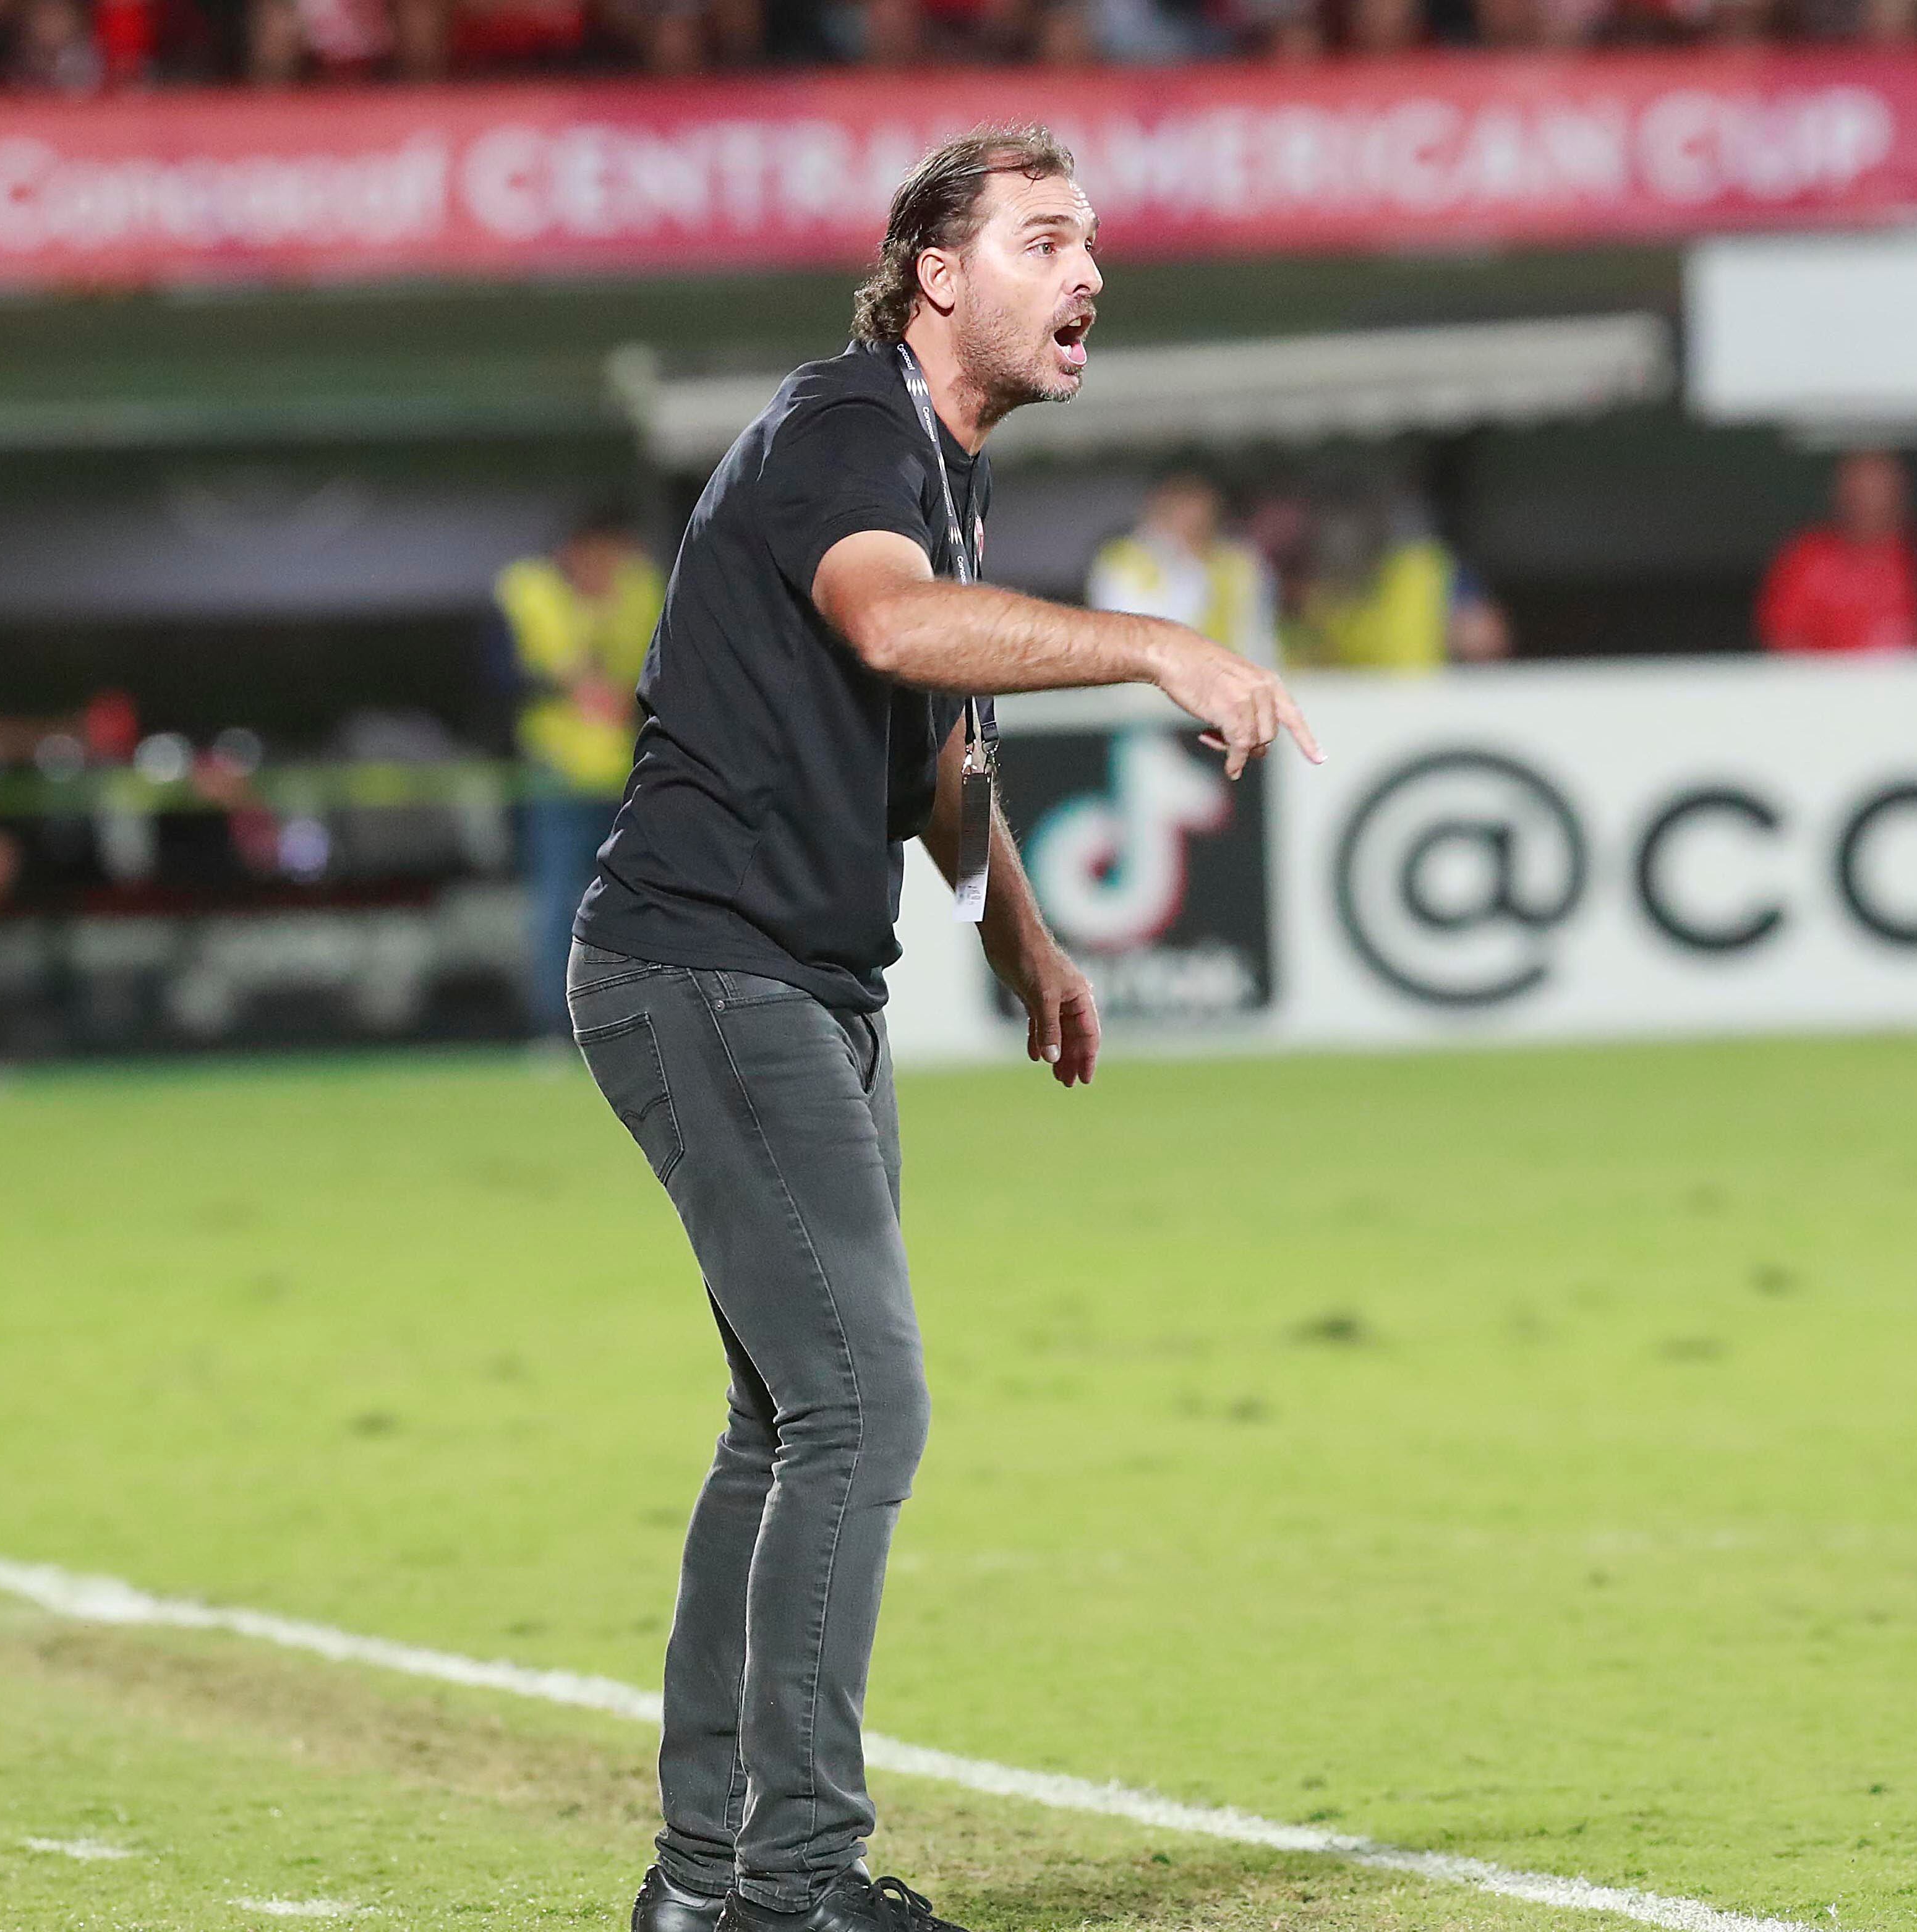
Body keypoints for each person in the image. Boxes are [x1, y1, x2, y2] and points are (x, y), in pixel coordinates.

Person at [570, 126, 1315, 1932]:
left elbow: (936, 757)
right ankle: (797, 1887)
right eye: (1046, 241)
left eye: (1091, 246)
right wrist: (1152, 642)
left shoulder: (931, 465)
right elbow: (898, 632)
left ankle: (704, 1884)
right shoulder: (845, 427)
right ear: (935, 277)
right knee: (857, 1406)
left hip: (792, 988)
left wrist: (1022, 936)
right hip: (710, 971)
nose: (1088, 275)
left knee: (783, 1421)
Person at [484, 503, 664, 1038]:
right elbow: (493, 679)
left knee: (641, 897)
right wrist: (564, 688)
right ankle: (553, 1027)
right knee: (555, 900)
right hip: (555, 771)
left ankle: (636, 1019)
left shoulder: (643, 589)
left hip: (631, 771)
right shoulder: (526, 591)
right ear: (573, 550)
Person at [1284, 485, 1508, 671]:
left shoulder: (1423, 567)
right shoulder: (1310, 592)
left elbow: (1486, 640)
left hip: (1423, 712)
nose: (1343, 535)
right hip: (1350, 715)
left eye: (1352, 521)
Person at [1085, 470, 1279, 667]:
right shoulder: (1123, 560)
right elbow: (1123, 637)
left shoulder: (1240, 561)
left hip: (1222, 687)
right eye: (1182, 501)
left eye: (1199, 500)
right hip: (1144, 690)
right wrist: (1183, 563)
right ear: (1158, 502)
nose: (1193, 513)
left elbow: (1258, 638)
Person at [1756, 448, 1917, 655]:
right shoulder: (1806, 558)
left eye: (1878, 489)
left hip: (1913, 684)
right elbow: (1783, 642)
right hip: (1825, 684)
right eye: (1859, 489)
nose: (1868, 502)